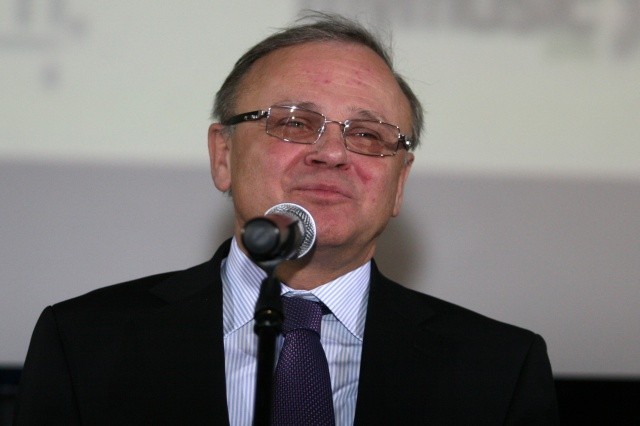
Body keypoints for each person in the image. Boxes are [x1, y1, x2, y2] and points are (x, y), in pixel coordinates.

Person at [14, 12, 559, 425]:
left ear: (399, 183)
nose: (332, 153)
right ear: (223, 155)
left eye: (368, 134)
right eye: (296, 123)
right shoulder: (85, 343)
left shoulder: (499, 369)